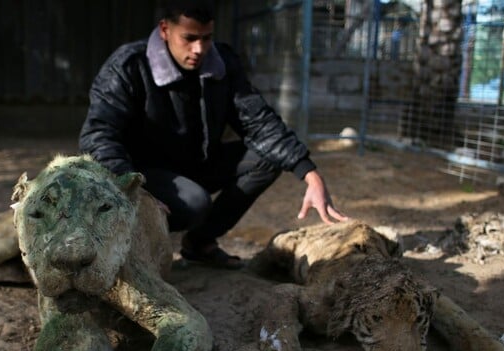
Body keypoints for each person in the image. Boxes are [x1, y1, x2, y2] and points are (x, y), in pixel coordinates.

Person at [79, 0, 347, 269]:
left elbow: (259, 120)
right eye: (189, 38)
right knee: (194, 202)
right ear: (164, 29)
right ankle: (137, 246)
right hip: (141, 177)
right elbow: (99, 136)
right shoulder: (127, 66)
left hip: (196, 164)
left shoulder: (222, 62)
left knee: (266, 158)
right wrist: (132, 188)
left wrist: (311, 174)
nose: (199, 49)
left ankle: (199, 243)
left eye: (206, 38)